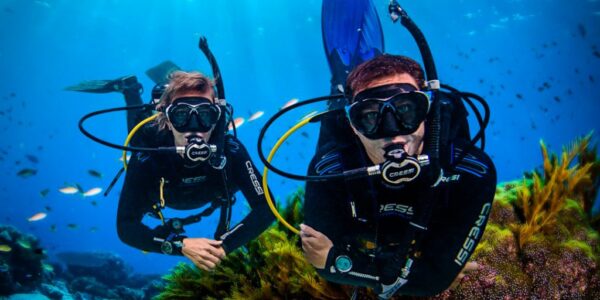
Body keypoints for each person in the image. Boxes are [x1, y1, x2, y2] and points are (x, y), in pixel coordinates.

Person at [300, 54, 497, 297]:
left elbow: (433, 280)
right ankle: (343, 79)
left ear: (426, 111)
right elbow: (321, 265)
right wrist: (423, 275)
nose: (392, 132)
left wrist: (344, 264)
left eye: (405, 109)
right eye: (371, 115)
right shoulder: (328, 168)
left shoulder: (470, 168)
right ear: (353, 125)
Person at [69, 70, 275, 271]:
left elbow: (266, 208)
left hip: (187, 193)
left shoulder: (231, 152)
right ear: (167, 119)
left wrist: (225, 246)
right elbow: (126, 226)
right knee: (138, 134)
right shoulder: (147, 154)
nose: (194, 129)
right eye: (181, 116)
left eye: (205, 115)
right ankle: (131, 91)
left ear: (217, 119)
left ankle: (176, 90)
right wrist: (180, 245)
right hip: (158, 143)